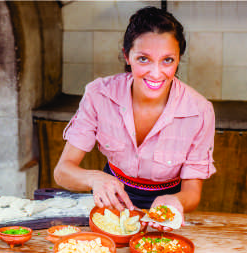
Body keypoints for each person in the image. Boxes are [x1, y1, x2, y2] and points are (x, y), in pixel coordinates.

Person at [53, 6, 216, 230]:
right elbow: (62, 172)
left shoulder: (200, 111)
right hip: (111, 202)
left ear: (178, 59)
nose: (156, 73)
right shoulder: (99, 95)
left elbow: (192, 193)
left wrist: (175, 200)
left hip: (165, 208)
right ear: (127, 56)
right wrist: (95, 178)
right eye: (143, 59)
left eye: (167, 60)